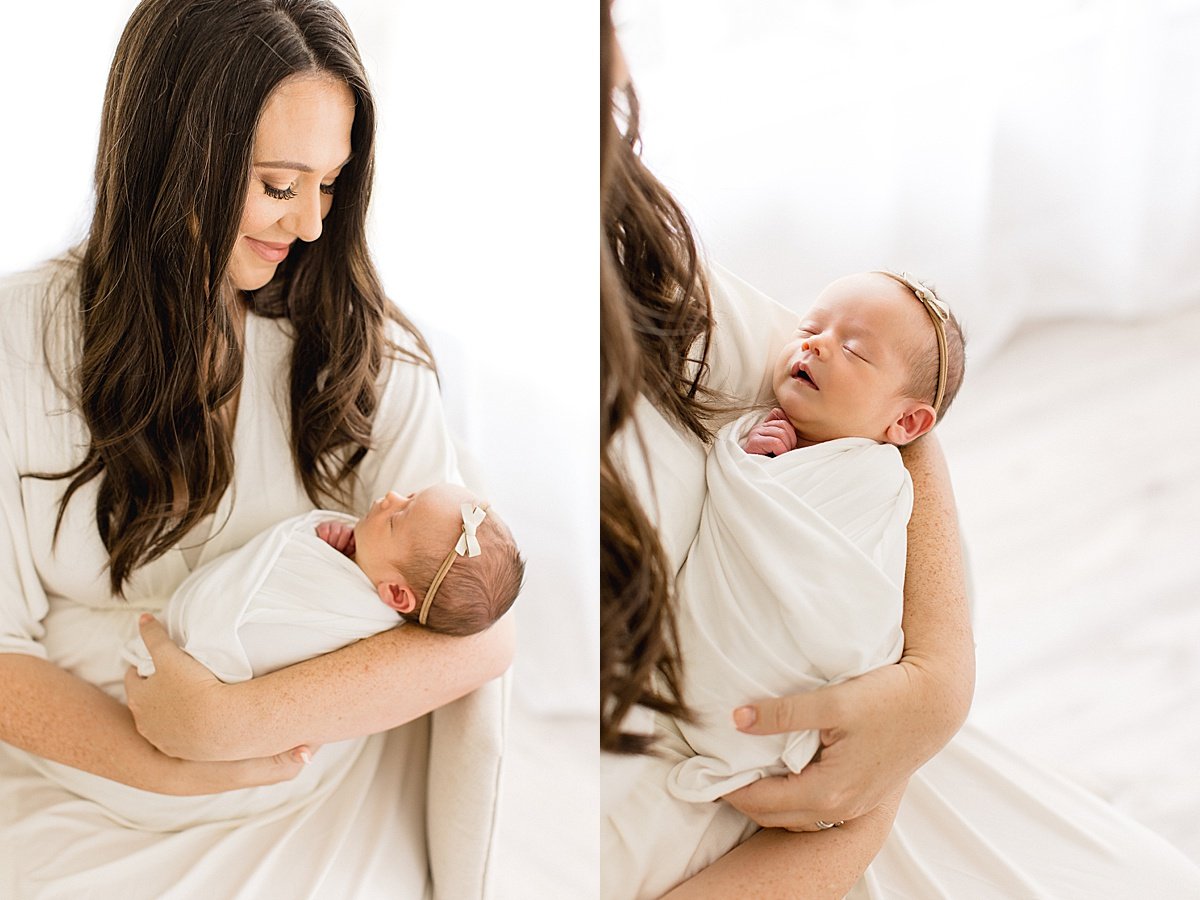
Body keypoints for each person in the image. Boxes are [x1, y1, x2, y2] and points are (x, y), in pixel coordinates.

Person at [600, 1, 1200, 897]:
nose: (810, 347)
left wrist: (933, 685)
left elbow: (887, 445)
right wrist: (868, 804)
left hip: (844, 746)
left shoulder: (630, 237)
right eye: (815, 329)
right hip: (754, 798)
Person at [0, 2, 512, 897]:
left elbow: (478, 636)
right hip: (79, 787)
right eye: (280, 186)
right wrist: (158, 760)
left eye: (331, 185)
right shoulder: (18, 339)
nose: (312, 226)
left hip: (313, 793)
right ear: (167, 155)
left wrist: (225, 725)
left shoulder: (364, 352)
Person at [666, 271, 967, 805]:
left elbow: (865, 581)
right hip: (719, 643)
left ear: (906, 423)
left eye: (853, 350)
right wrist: (747, 458)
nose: (815, 344)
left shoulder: (879, 478)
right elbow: (733, 504)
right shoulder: (757, 432)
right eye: (810, 327)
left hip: (817, 660)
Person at [126, 482, 525, 686]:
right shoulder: (374, 566)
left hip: (219, 652)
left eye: (396, 518)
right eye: (410, 495)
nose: (390, 496)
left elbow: (293, 623)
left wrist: (314, 545)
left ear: (397, 595)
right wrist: (337, 546)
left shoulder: (361, 620)